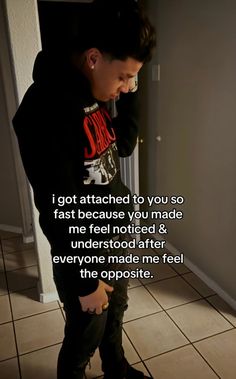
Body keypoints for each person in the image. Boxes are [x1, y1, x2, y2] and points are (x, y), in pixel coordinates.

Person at [13, 0, 156, 378]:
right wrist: (83, 280)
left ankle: (116, 367)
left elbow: (120, 145)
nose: (127, 87)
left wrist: (130, 90)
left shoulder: (95, 92)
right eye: (124, 76)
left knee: (115, 314)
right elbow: (57, 209)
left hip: (113, 237)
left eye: (133, 78)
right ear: (93, 58)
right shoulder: (44, 112)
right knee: (86, 328)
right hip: (82, 250)